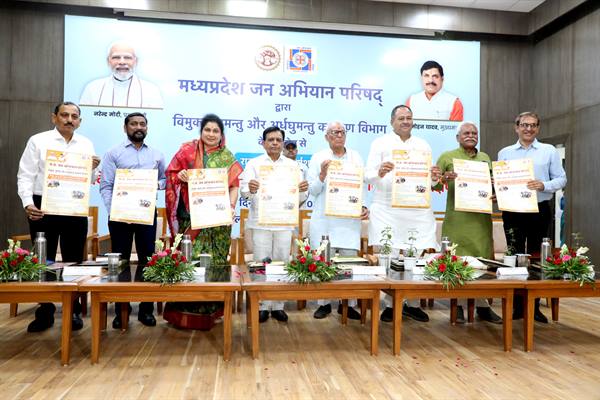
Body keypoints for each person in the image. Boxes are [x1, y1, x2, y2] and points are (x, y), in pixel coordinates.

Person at [17, 101, 100, 332]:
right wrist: (28, 203)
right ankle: (45, 311)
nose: (69, 120)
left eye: (74, 116)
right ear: (54, 117)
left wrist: (93, 168)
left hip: (74, 206)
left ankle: (73, 311)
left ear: (80, 121)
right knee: (44, 260)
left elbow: (91, 180)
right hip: (43, 206)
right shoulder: (38, 140)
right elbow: (25, 175)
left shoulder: (86, 143)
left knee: (74, 260)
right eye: (64, 115)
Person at [366, 105, 441, 323]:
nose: (406, 121)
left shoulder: (423, 145)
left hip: (415, 209)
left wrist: (434, 177)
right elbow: (367, 175)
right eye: (401, 118)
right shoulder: (380, 143)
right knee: (388, 256)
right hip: (387, 208)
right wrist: (379, 171)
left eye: (409, 118)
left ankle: (413, 303)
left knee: (415, 256)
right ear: (392, 122)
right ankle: (391, 305)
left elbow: (429, 181)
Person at [498, 111, 567, 323]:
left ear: (538, 128)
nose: (529, 129)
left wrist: (543, 185)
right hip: (512, 211)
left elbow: (562, 179)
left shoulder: (548, 151)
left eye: (533, 125)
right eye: (524, 125)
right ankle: (518, 307)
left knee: (537, 256)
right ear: (516, 127)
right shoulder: (505, 153)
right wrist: (498, 191)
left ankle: (534, 307)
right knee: (514, 255)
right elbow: (501, 182)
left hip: (539, 209)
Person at [100, 112, 166, 329]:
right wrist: (115, 211)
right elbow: (106, 186)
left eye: (142, 124)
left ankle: (146, 309)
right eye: (134, 124)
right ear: (125, 127)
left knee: (148, 260)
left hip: (146, 214)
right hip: (120, 216)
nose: (138, 127)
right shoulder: (113, 153)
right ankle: (122, 309)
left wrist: (156, 184)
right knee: (121, 262)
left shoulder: (156, 155)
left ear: (147, 128)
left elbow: (164, 179)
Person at [435, 121, 502, 324]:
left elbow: (494, 184)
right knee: (457, 262)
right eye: (466, 133)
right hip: (457, 220)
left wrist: (497, 192)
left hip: (480, 221)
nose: (471, 135)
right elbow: (434, 185)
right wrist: (443, 178)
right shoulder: (447, 157)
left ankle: (482, 307)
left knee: (481, 264)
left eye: (474, 133)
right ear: (457, 137)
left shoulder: (485, 158)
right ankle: (457, 307)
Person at [240, 126, 309, 323]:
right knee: (261, 263)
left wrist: (303, 189)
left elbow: (301, 197)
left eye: (278, 140)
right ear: (263, 143)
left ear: (283, 143)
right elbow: (244, 192)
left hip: (284, 223)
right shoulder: (254, 164)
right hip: (261, 222)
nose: (275, 143)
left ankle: (278, 305)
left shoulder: (293, 166)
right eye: (271, 140)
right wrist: (250, 188)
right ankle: (262, 305)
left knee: (281, 262)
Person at [308, 122, 369, 320]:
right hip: (324, 220)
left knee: (349, 263)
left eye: (342, 132)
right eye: (335, 132)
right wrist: (322, 175)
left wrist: (364, 206)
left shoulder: (356, 157)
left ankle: (348, 304)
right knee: (323, 262)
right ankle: (323, 303)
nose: (339, 135)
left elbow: (362, 186)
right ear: (327, 137)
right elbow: (312, 190)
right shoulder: (318, 157)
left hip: (348, 221)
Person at [166, 113, 242, 263]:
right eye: (207, 130)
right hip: (190, 217)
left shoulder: (227, 157)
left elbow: (234, 186)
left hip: (218, 220)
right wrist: (180, 175)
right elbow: (171, 174)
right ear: (201, 131)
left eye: (215, 131)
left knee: (216, 262)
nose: (211, 134)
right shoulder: (187, 150)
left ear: (221, 135)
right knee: (190, 261)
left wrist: (231, 206)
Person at [80, 41, 163, 109]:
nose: (122, 62)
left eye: (127, 57)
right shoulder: (92, 88)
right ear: (108, 61)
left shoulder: (151, 91)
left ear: (136, 61)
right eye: (116, 57)